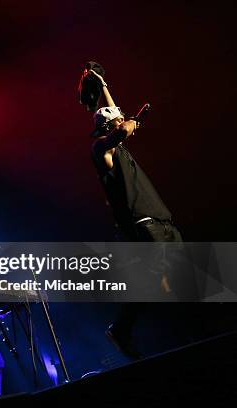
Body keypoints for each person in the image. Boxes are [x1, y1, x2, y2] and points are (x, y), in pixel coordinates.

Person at [86, 68, 184, 359]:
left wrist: (104, 84)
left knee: (181, 273)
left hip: (161, 219)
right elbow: (122, 127)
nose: (123, 119)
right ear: (108, 128)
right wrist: (133, 120)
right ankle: (121, 329)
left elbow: (119, 118)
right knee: (152, 281)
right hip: (143, 224)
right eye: (116, 120)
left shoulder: (119, 144)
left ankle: (171, 323)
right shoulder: (101, 150)